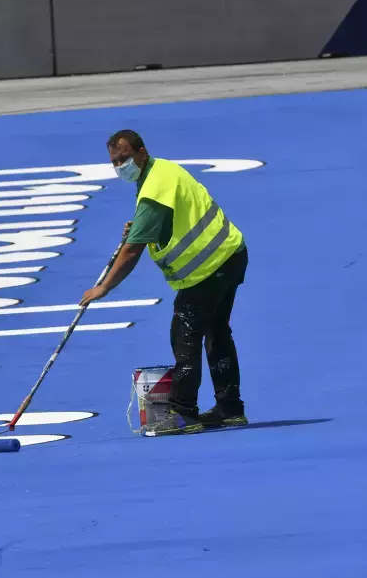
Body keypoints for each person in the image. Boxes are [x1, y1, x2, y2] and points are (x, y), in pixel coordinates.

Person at [80, 129, 249, 436]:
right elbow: (168, 219)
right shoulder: (162, 170)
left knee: (185, 336)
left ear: (142, 151)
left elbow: (132, 251)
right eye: (115, 162)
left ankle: (183, 412)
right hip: (231, 255)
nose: (120, 166)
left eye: (125, 158)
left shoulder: (153, 190)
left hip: (208, 268)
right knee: (217, 332)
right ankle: (230, 408)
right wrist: (143, 228)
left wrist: (104, 287)